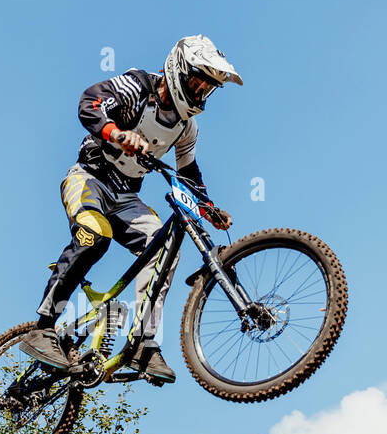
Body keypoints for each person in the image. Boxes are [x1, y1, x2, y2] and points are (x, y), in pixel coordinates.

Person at [18, 35, 242, 383]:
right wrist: (116, 133)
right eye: (198, 83)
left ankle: (143, 342)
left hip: (126, 198)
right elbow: (90, 102)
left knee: (166, 248)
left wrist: (207, 205)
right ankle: (43, 329)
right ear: (179, 71)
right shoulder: (137, 86)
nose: (200, 93)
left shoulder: (186, 126)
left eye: (207, 89)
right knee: (94, 237)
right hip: (89, 179)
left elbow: (188, 172)